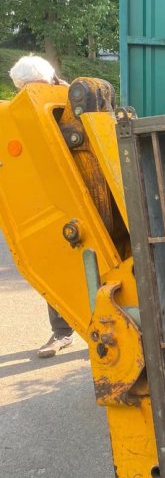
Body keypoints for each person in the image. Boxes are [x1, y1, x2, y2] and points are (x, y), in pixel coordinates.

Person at [9, 55, 75, 358]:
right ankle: (62, 332)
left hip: (83, 197)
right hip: (49, 203)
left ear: (48, 81)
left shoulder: (72, 101)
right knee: (54, 266)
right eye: (21, 88)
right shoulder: (18, 113)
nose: (26, 93)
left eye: (29, 86)